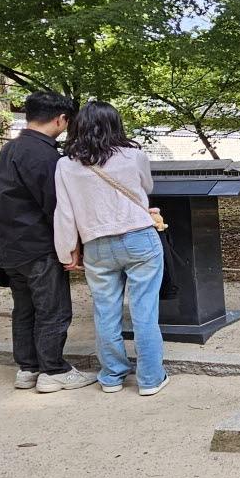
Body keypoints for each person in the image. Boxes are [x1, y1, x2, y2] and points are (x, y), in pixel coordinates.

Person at [54, 102, 170, 396]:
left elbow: (65, 213)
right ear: (115, 125)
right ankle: (150, 378)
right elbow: (148, 186)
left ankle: (112, 376)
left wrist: (68, 250)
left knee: (105, 312)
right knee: (145, 310)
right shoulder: (134, 156)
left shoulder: (66, 165)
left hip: (96, 245)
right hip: (139, 237)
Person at [0, 92, 97, 393]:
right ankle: (53, 369)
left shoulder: (11, 148)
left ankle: (28, 368)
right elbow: (56, 207)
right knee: (52, 308)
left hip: (10, 245)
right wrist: (72, 247)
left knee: (24, 309)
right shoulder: (46, 155)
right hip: (39, 245)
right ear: (60, 119)